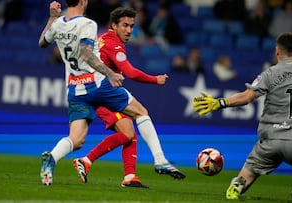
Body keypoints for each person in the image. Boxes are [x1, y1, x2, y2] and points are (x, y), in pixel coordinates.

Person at [38, 0, 184, 186]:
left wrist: (52, 18)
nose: (130, 30)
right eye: (126, 25)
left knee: (76, 139)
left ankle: (51, 158)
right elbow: (87, 55)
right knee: (141, 113)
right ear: (84, 1)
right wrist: (111, 74)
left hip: (75, 89)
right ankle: (160, 160)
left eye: (132, 26)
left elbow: (42, 42)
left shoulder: (58, 24)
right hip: (98, 85)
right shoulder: (88, 24)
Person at [193, 32, 292, 200]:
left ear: (277, 51)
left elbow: (247, 97)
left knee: (246, 177)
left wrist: (219, 103)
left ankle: (237, 185)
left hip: (269, 144)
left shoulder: (269, 74)